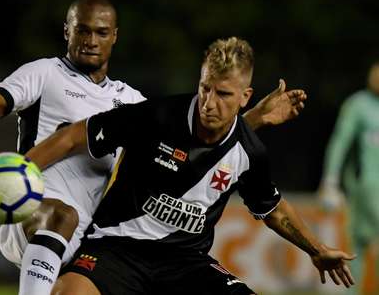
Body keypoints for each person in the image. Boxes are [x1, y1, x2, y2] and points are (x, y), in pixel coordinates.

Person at [0, 0, 306, 295]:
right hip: (35, 213)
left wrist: (253, 118)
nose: (91, 39)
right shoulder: (45, 73)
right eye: (83, 30)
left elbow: (195, 137)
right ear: (67, 31)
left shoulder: (131, 100)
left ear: (114, 37)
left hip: (90, 237)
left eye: (101, 32)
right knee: (62, 215)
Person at [25, 37, 355, 295]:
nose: (209, 103)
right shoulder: (155, 116)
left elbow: (273, 209)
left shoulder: (249, 151)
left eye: (224, 94)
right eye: (205, 88)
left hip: (184, 263)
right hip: (116, 250)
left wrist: (317, 249)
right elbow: (72, 137)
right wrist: (21, 169)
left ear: (245, 96)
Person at [318, 62, 379, 294]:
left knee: (359, 246)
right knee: (358, 247)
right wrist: (330, 180)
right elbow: (340, 142)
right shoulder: (358, 105)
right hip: (366, 187)